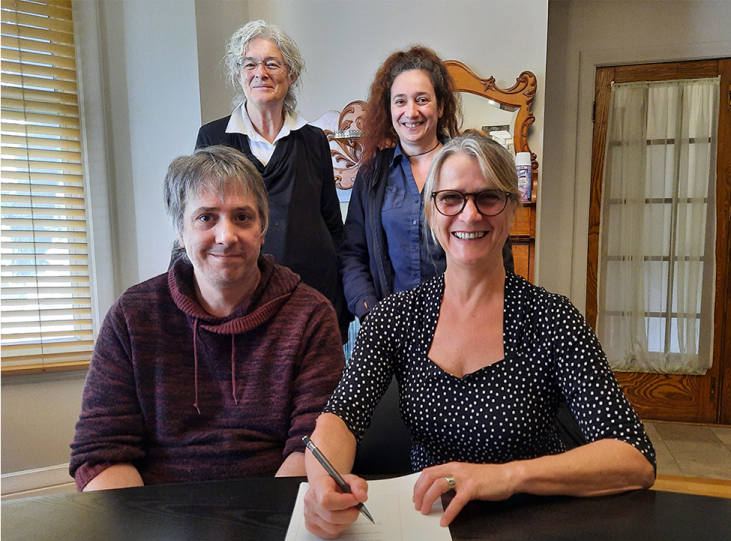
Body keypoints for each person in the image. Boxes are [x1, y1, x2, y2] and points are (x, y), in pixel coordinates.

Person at [304, 133, 656, 539]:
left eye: (488, 197)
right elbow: (341, 417)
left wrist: (505, 477)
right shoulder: (394, 318)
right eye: (450, 198)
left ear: (512, 209)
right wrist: (323, 484)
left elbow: (634, 458)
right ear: (431, 211)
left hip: (532, 530)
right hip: (428, 527)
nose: (469, 215)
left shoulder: (553, 318)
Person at [70, 146, 344, 492]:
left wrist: (267, 519)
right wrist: (147, 525)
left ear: (262, 230)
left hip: (273, 509)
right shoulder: (132, 317)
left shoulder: (310, 316)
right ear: (181, 232)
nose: (226, 237)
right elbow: (101, 453)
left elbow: (315, 446)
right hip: (155, 513)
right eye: (206, 218)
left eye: (242, 217)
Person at [190, 21, 350, 342]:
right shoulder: (213, 138)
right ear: (238, 75)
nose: (260, 73)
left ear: (292, 75)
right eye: (249, 64)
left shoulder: (314, 139)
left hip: (312, 294)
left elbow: (332, 224)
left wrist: (340, 298)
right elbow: (199, 221)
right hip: (240, 298)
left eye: (272, 64)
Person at [339, 46, 514, 322]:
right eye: (400, 101)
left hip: (465, 322)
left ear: (440, 106)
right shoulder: (371, 175)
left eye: (422, 99)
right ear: (389, 109)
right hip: (392, 327)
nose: (411, 112)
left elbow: (498, 249)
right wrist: (370, 312)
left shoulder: (469, 167)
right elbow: (352, 254)